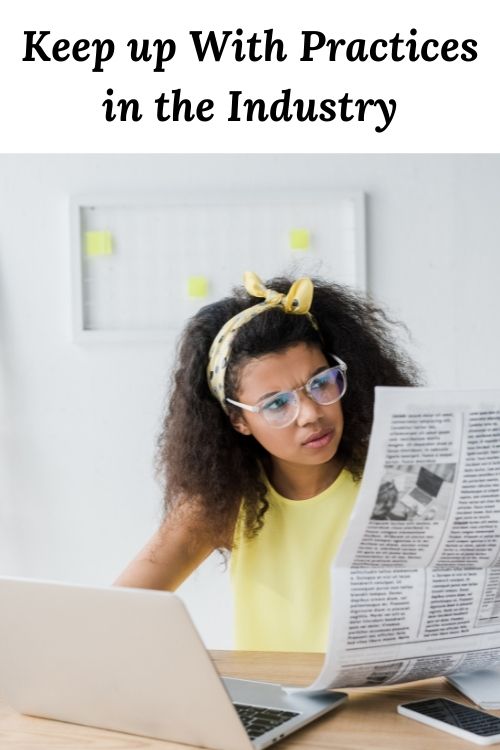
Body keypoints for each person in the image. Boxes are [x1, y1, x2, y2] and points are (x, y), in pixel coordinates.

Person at [115, 271, 420, 651]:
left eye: (321, 382)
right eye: (276, 404)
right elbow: (118, 611)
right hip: (275, 702)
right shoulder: (225, 502)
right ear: (238, 421)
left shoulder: (401, 478)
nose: (310, 414)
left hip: (381, 704)